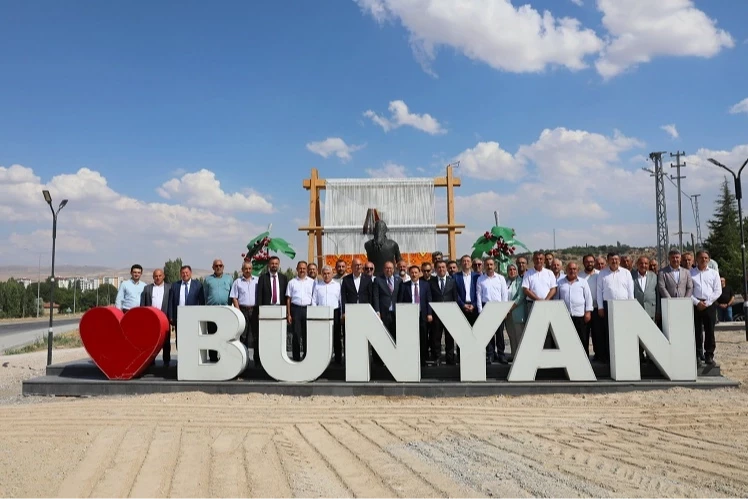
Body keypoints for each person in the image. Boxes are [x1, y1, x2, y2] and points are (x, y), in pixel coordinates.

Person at [596, 252, 634, 363]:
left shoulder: (626, 273)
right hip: (608, 306)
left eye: (616, 259)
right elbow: (599, 291)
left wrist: (630, 306)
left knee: (623, 332)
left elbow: (630, 291)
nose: (614, 261)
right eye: (612, 259)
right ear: (608, 261)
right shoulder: (602, 273)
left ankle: (624, 355)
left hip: (623, 306)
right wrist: (600, 307)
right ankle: (610, 357)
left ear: (619, 260)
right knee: (609, 333)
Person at [256, 256, 288, 368]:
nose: (274, 265)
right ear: (269, 265)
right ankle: (265, 358)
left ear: (279, 264)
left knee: (279, 335)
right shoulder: (263, 278)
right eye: (272, 263)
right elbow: (259, 295)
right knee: (267, 336)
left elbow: (286, 296)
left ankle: (279, 358)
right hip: (267, 309)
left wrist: (287, 312)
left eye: (276, 263)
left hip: (280, 309)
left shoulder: (284, 278)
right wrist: (259, 310)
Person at [167, 265, 205, 360]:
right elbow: (171, 301)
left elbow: (202, 302)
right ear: (180, 274)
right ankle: (182, 359)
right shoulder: (175, 285)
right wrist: (171, 316)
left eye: (186, 272)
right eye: (183, 273)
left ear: (190, 273)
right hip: (179, 318)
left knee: (193, 339)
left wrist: (201, 316)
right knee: (180, 340)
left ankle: (193, 359)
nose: (185, 274)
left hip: (193, 318)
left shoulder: (198, 285)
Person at [690, 251, 721, 366]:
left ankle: (709, 355)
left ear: (709, 259)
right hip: (695, 305)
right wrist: (697, 302)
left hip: (709, 305)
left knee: (710, 331)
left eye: (706, 258)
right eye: (701, 258)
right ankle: (698, 355)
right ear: (696, 259)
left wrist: (707, 303)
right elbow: (688, 290)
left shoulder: (714, 273)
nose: (703, 260)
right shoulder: (690, 273)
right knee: (696, 331)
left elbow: (718, 290)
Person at [398, 265, 432, 366]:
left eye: (416, 272)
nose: (414, 274)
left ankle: (422, 360)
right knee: (410, 338)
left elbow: (428, 299)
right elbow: (400, 301)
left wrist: (429, 313)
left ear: (419, 273)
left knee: (423, 338)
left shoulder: (425, 285)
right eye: (412, 272)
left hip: (422, 314)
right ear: (409, 273)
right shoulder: (404, 285)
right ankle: (411, 359)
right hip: (409, 316)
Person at [476, 258, 508, 364]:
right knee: (488, 334)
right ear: (484, 266)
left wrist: (504, 310)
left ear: (494, 266)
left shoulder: (500, 278)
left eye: (491, 264)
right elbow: (478, 295)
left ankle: (501, 354)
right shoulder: (480, 279)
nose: (489, 266)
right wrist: (480, 311)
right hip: (486, 307)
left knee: (500, 334)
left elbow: (504, 295)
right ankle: (490, 355)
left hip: (498, 307)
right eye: (487, 264)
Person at [556, 262, 593, 350]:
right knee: (567, 340)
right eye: (570, 269)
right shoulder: (560, 282)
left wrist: (588, 312)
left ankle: (584, 358)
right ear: (566, 270)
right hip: (566, 316)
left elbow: (588, 298)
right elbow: (557, 298)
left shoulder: (583, 282)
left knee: (583, 340)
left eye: (574, 269)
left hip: (580, 316)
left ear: (578, 270)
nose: (572, 271)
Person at [203, 259, 233, 362]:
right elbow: (205, 295)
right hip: (212, 311)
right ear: (213, 267)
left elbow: (232, 294)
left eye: (220, 265)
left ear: (223, 267)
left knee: (225, 335)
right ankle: (213, 358)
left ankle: (225, 357)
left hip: (226, 311)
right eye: (216, 266)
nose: (218, 267)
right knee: (212, 335)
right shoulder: (208, 280)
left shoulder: (229, 279)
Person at [311, 265, 343, 364]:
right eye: (324, 273)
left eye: (328, 273)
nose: (326, 275)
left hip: (335, 312)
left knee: (336, 336)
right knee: (323, 337)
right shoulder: (318, 286)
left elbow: (341, 301)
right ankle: (323, 359)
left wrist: (342, 314)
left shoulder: (337, 285)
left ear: (332, 274)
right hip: (322, 313)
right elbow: (314, 301)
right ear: (321, 274)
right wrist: (315, 313)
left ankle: (338, 359)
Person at [428, 260, 457, 364]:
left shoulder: (452, 281)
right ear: (435, 269)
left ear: (446, 268)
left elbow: (455, 297)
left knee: (449, 337)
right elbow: (429, 298)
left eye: (443, 267)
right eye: (439, 267)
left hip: (449, 314)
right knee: (436, 337)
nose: (441, 269)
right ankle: (437, 357)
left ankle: (450, 358)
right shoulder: (431, 282)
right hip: (436, 314)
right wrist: (430, 313)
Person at [140, 268, 171, 364]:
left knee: (166, 341)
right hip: (151, 319)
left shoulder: (170, 288)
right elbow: (143, 304)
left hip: (165, 319)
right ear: (153, 277)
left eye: (160, 276)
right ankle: (151, 361)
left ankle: (166, 361)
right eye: (156, 276)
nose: (158, 278)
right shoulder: (147, 288)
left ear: (163, 276)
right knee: (151, 341)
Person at [373, 261, 401, 365]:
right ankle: (380, 360)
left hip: (395, 313)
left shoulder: (398, 280)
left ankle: (394, 359)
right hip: (383, 313)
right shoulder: (378, 280)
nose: (389, 270)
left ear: (394, 269)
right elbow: (376, 296)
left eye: (391, 268)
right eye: (387, 268)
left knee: (394, 335)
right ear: (383, 269)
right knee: (383, 336)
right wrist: (377, 311)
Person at [286, 261, 315, 361]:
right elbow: (288, 299)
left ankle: (307, 355)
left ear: (306, 269)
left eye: (304, 268)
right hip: (296, 309)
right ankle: (296, 356)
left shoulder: (312, 282)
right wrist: (289, 314)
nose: (302, 270)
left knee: (307, 334)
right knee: (296, 334)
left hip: (308, 309)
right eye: (300, 268)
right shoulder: (292, 282)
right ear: (297, 269)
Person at [230, 262, 257, 349]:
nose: (248, 270)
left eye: (249, 268)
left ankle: (257, 357)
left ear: (252, 269)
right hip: (243, 310)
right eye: (246, 268)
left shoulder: (257, 281)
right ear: (242, 270)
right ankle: (244, 356)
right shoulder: (237, 282)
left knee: (255, 334)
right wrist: (238, 311)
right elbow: (234, 297)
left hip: (255, 310)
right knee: (243, 335)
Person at [505, 263, 526, 361]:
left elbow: (520, 297)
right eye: (510, 269)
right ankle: (513, 355)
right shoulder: (505, 281)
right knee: (511, 334)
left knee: (519, 335)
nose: (512, 271)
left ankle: (520, 356)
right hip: (506, 314)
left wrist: (510, 308)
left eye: (514, 269)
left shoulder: (521, 281)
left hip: (517, 312)